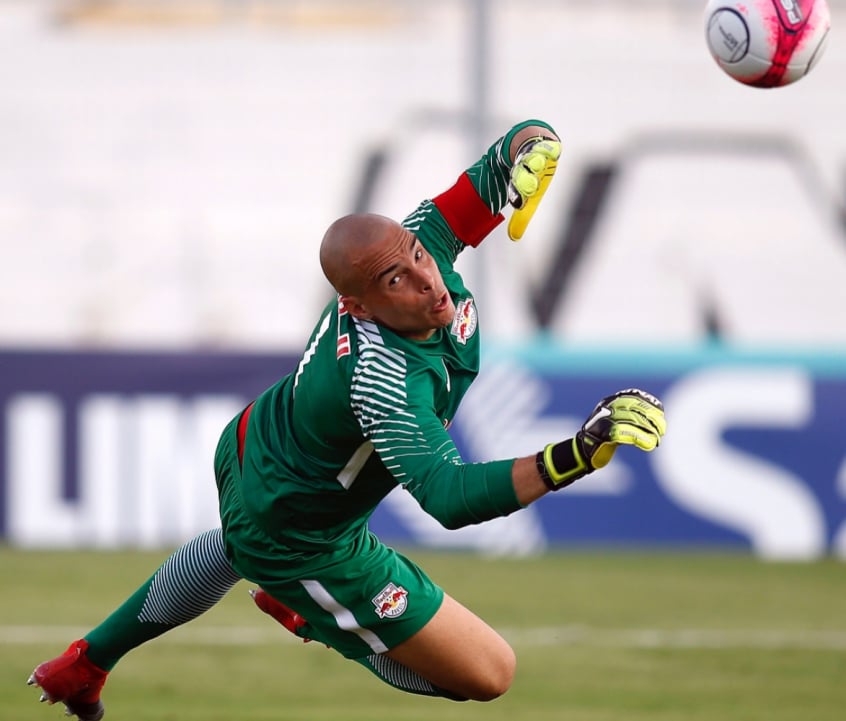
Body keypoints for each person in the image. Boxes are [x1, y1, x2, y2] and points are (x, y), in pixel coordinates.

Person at [28, 119, 666, 720]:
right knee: (486, 675)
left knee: (237, 543)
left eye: (418, 254)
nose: (427, 279)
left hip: (259, 446)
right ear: (357, 307)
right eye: (398, 278)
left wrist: (535, 144)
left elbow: (497, 168)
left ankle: (86, 663)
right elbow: (450, 497)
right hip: (302, 531)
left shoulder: (415, 250)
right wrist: (577, 453)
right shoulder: (382, 380)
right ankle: (311, 613)